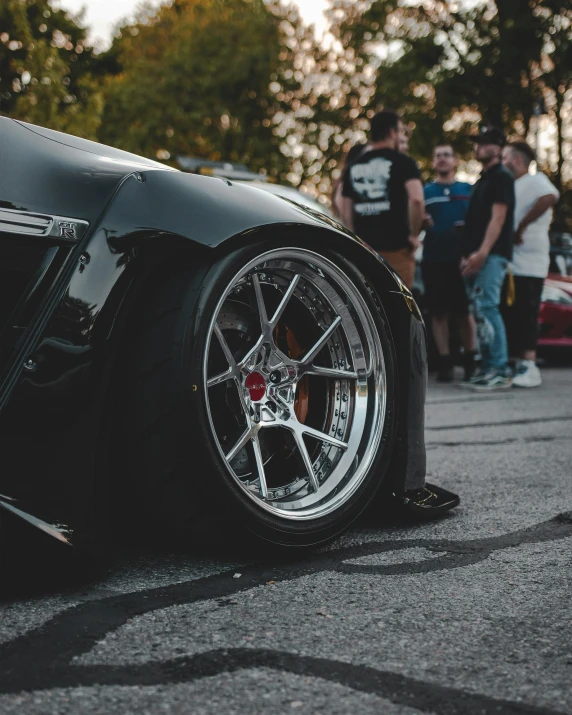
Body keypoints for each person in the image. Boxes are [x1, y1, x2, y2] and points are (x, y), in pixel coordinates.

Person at [340, 110, 424, 288]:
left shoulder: (354, 165)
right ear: (392, 132)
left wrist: (355, 239)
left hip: (364, 250)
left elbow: (345, 210)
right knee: (398, 308)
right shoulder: (404, 162)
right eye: (400, 131)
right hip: (397, 249)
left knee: (369, 305)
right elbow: (416, 200)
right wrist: (414, 235)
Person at [501, 141, 560, 387]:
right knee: (513, 314)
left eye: (505, 157)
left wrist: (522, 226)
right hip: (514, 263)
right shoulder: (513, 185)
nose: (502, 162)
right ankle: (517, 363)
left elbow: (550, 197)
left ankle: (530, 365)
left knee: (527, 313)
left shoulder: (536, 180)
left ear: (516, 160)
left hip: (531, 261)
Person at [461, 126, 515, 391]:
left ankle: (499, 370)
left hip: (491, 256)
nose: (479, 146)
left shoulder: (501, 177)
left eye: (486, 142)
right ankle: (488, 368)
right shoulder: (483, 179)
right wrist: (468, 254)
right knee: (479, 311)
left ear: (499, 147)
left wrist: (482, 253)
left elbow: (499, 217)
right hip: (476, 256)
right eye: (478, 142)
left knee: (487, 308)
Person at [422, 143, 476, 382]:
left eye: (446, 155)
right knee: (438, 313)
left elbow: (480, 221)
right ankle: (445, 363)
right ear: (434, 162)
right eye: (438, 155)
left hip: (461, 260)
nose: (442, 159)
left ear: (455, 161)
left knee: (464, 312)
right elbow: (412, 224)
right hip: (434, 259)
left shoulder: (468, 189)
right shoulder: (424, 192)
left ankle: (471, 361)